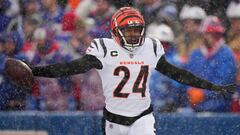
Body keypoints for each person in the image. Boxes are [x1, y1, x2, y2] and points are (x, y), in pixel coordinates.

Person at [19, 7, 235, 135]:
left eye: (136, 31)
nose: (133, 36)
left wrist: (210, 87)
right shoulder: (104, 48)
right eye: (128, 31)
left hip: (142, 116)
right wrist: (36, 70)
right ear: (115, 31)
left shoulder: (150, 47)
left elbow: (178, 74)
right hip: (114, 118)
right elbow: (69, 67)